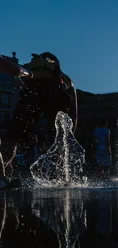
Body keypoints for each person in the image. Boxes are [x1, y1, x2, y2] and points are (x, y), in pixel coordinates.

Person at [0, 52, 78, 187]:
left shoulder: (38, 78)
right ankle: (63, 178)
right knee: (61, 138)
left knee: (12, 136)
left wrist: (25, 72)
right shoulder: (65, 80)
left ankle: (4, 172)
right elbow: (74, 113)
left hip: (34, 97)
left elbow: (18, 71)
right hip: (56, 100)